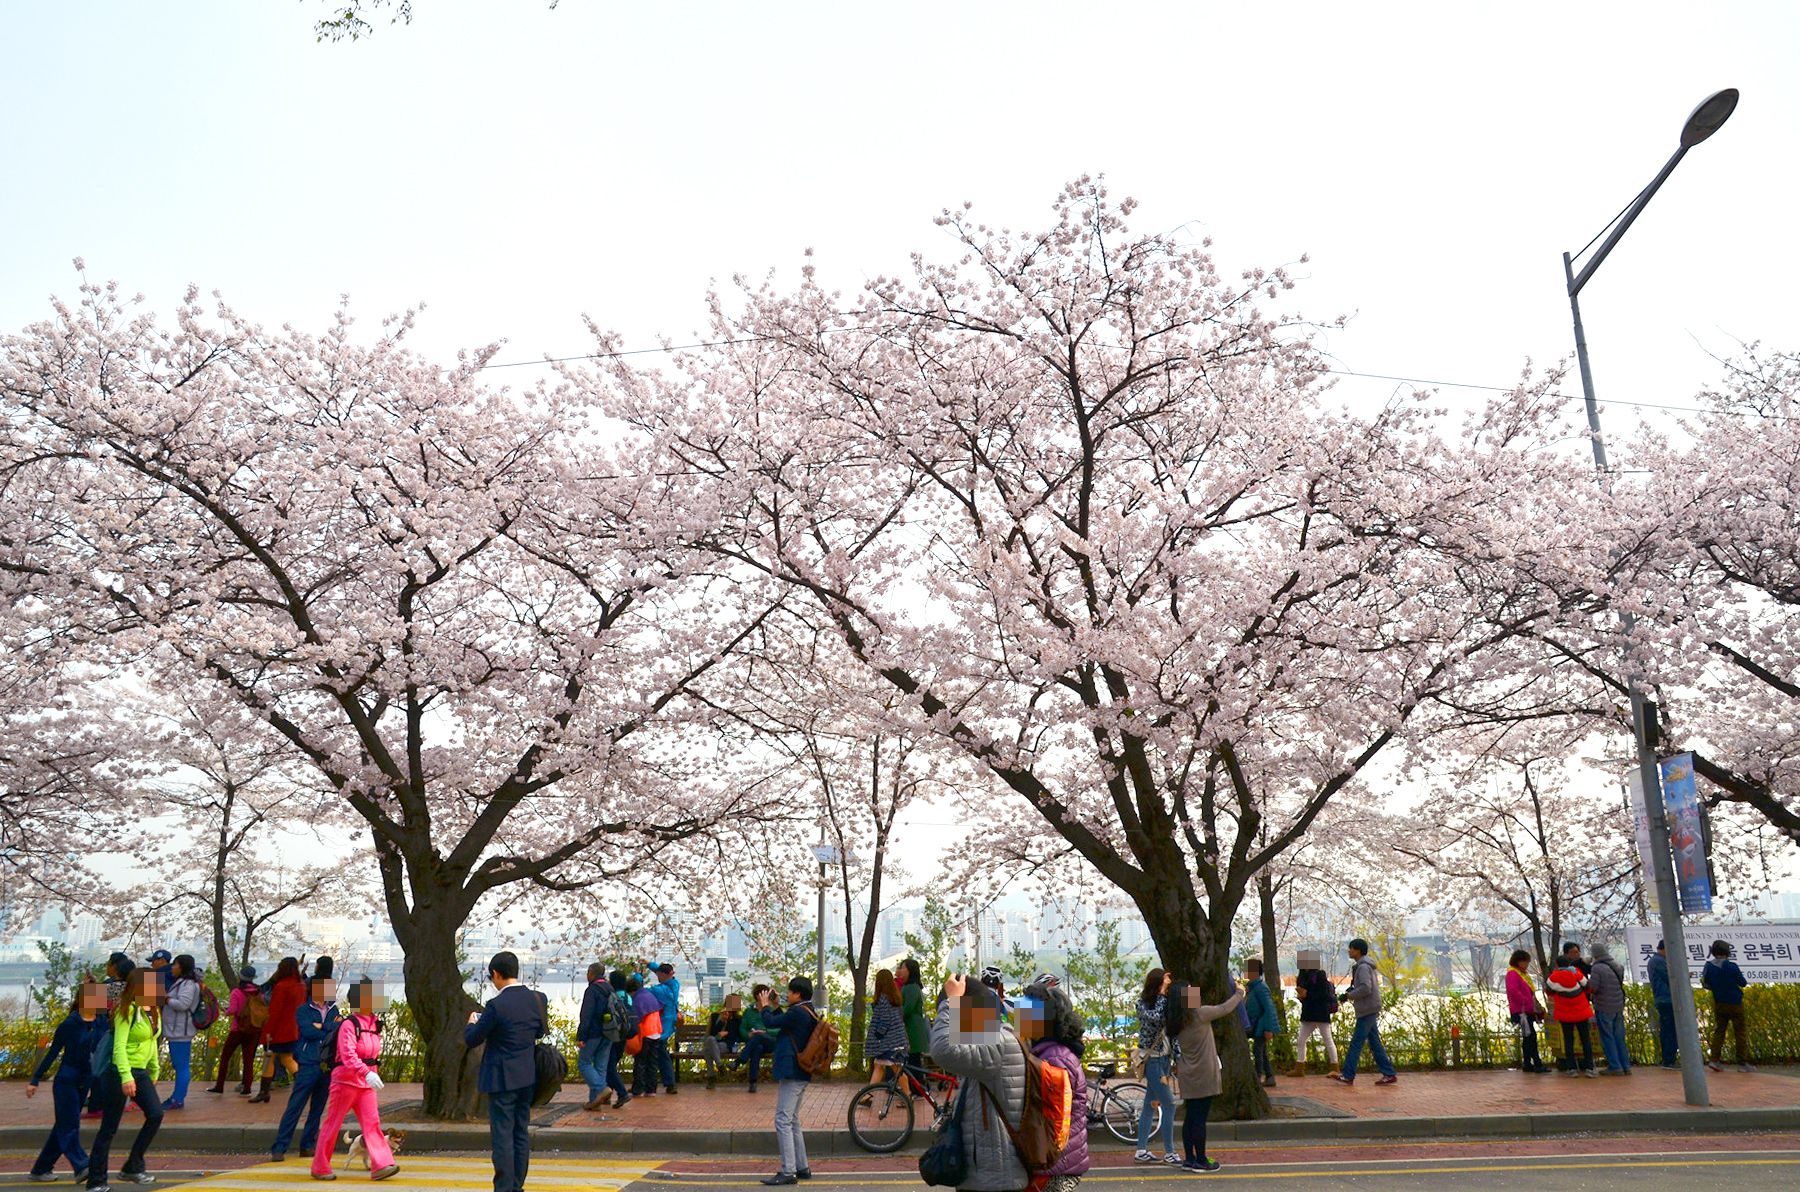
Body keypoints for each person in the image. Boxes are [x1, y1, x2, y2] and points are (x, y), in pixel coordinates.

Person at [927, 974, 1026, 1192]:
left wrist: (951, 1002)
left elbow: (942, 1050)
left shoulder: (996, 1041)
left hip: (995, 1177)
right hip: (988, 1172)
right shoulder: (992, 1038)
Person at [466, 952, 547, 1192]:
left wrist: (471, 1023)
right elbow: (539, 1032)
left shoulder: (496, 1005)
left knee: (502, 1136)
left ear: (496, 974)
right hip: (527, 1075)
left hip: (501, 1078)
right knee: (520, 1132)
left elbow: (473, 1039)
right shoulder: (537, 999)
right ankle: (516, 1185)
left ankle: (503, 1187)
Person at [311, 977, 398, 1182]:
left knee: (372, 1124)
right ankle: (320, 1166)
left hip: (365, 1084)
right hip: (345, 1083)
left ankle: (381, 1165)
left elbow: (371, 1054)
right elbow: (348, 1055)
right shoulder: (349, 1025)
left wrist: (371, 1073)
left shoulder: (374, 1024)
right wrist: (367, 1072)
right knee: (333, 1125)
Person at [87, 966, 166, 1192]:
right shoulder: (127, 1011)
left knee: (155, 1115)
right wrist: (126, 1077)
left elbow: (151, 1041)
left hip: (140, 1072)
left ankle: (133, 1166)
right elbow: (119, 1047)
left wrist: (154, 1069)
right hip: (119, 1073)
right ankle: (96, 1181)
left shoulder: (153, 1010)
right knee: (109, 1128)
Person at [28, 979, 107, 1182]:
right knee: (70, 1125)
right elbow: (53, 1053)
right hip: (67, 1079)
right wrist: (35, 1079)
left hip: (86, 1079)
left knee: (64, 1125)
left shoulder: (101, 1022)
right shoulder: (69, 1024)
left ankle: (40, 1169)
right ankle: (82, 1165)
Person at [1018, 978, 1089, 1191]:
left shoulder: (1055, 1059)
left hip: (1055, 1165)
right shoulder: (1047, 1052)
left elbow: (1047, 1117)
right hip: (1055, 1161)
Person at [1170, 978, 1245, 1174]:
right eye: (1190, 991)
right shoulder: (1199, 1014)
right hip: (1204, 1073)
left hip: (1187, 1074)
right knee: (1199, 1119)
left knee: (1190, 1117)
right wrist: (1239, 992)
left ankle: (1189, 1158)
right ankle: (1201, 1160)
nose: (1194, 993)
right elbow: (1225, 1008)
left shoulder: (1175, 1021)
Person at [756, 978, 821, 1187]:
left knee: (783, 1119)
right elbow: (784, 1021)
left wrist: (765, 1006)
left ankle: (788, 1171)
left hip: (792, 1070)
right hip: (801, 1071)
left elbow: (771, 1023)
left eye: (790, 992)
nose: (787, 995)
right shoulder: (807, 1010)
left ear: (798, 994)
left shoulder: (797, 1012)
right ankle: (802, 1167)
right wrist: (776, 1006)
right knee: (792, 1119)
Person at [271, 972, 339, 1162]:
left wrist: (321, 1027)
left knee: (317, 1108)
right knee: (295, 1106)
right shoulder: (303, 1010)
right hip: (308, 1063)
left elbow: (337, 1030)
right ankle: (279, 1147)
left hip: (327, 1065)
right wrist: (326, 1028)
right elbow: (308, 1031)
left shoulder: (334, 1009)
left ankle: (307, 1145)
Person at [1330, 938, 1397, 1086]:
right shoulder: (1365, 966)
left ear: (1358, 951)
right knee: (1374, 1042)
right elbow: (1364, 986)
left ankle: (1348, 1075)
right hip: (1370, 1007)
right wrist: (1352, 992)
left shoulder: (1363, 967)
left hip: (1367, 1008)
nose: (1349, 951)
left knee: (1356, 1043)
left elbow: (1366, 987)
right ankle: (1389, 1073)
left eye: (1351, 948)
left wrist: (1349, 995)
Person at [1132, 968, 1178, 1164]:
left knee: (1150, 1104)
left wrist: (1178, 1057)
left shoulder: (1166, 1002)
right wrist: (1162, 995)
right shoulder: (1143, 1004)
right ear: (1158, 982)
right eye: (1166, 980)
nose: (1169, 983)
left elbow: (1174, 1031)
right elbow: (1156, 1018)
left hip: (1164, 1060)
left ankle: (1141, 1150)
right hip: (1153, 1060)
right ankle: (1169, 1152)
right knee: (1169, 1104)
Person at [251, 957, 306, 1104]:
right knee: (286, 1058)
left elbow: (275, 1011)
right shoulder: (301, 985)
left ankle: (264, 1091)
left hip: (279, 1029)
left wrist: (268, 1031)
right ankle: (304, 1085)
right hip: (294, 1028)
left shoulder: (282, 986)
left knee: (269, 1058)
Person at [209, 966, 263, 1096]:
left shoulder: (237, 992)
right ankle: (247, 1088)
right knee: (248, 1060)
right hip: (253, 1029)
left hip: (237, 1029)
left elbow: (233, 1010)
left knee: (225, 1057)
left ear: (240, 977)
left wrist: (226, 1011)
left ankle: (219, 1085)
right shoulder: (258, 992)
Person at [1702, 939, 1751, 1072]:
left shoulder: (1708, 966)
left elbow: (1706, 984)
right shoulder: (1731, 966)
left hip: (1719, 1002)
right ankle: (1742, 1063)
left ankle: (1714, 1060)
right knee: (1740, 1032)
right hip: (1735, 1003)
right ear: (1727, 952)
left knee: (1719, 1031)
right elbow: (1743, 983)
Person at [1546, 951, 1597, 1077]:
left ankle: (1571, 1068)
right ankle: (1590, 1068)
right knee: (1585, 1039)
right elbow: (1588, 987)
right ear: (1569, 964)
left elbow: (1549, 992)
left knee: (1568, 1040)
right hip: (1581, 1011)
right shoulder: (1576, 973)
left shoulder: (1553, 977)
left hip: (1564, 1013)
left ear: (1557, 965)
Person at [160, 956, 201, 1110]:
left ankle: (177, 1098)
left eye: (175, 965)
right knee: (179, 1065)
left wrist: (167, 999)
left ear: (182, 967)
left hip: (180, 1031)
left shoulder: (188, 984)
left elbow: (183, 1004)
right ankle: (177, 1097)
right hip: (176, 1030)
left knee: (181, 1066)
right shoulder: (183, 983)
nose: (172, 967)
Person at [1503, 949, 1550, 1074]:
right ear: (1519, 961)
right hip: (1521, 1010)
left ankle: (1528, 1063)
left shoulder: (1521, 974)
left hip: (1526, 1009)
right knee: (1531, 1037)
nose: (1527, 964)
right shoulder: (1513, 974)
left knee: (1528, 1037)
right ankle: (1537, 1064)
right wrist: (1525, 1000)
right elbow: (1513, 991)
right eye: (1525, 962)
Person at [1290, 960, 1339, 1076]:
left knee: (1328, 1040)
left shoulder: (1319, 975)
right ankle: (1299, 1067)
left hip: (1321, 1012)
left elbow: (1324, 994)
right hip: (1308, 1013)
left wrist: (1307, 994)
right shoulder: (1302, 977)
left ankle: (1335, 1068)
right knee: (1301, 1040)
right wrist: (1301, 997)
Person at [638, 961, 681, 1094]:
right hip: (668, 1023)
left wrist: (637, 975)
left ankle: (668, 1083)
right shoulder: (674, 983)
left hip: (662, 1025)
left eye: (659, 974)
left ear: (663, 974)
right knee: (660, 1053)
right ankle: (663, 1083)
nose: (657, 976)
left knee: (660, 1053)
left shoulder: (660, 990)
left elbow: (640, 989)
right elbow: (661, 970)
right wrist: (649, 964)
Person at [1588, 944, 1630, 1075]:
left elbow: (1593, 987)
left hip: (1604, 1005)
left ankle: (1615, 1066)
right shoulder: (1617, 965)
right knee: (1619, 1036)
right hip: (1618, 1004)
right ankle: (1626, 1066)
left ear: (1594, 954)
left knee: (1607, 1037)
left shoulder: (1597, 968)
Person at [575, 965, 614, 1110]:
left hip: (593, 1033)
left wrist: (581, 1036)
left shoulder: (592, 990)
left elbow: (586, 1015)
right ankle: (594, 1101)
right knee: (600, 1067)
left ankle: (601, 1088)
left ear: (591, 973)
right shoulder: (610, 988)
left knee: (584, 1063)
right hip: (609, 1032)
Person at [863, 970, 907, 1086]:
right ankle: (868, 1093)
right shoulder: (895, 999)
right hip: (897, 1040)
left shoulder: (883, 1000)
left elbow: (885, 1021)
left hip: (888, 1043)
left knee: (895, 1069)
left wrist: (877, 1035)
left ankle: (907, 1094)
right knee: (881, 1066)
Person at [1243, 959, 1280, 1088]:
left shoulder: (1260, 988)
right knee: (1261, 1051)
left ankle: (1258, 1076)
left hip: (1261, 1025)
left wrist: (1269, 1029)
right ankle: (1269, 1076)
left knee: (1257, 1050)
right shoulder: (1252, 987)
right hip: (1255, 1024)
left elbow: (1269, 1008)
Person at [627, 976, 664, 1097]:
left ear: (632, 991)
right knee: (652, 1062)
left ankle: (638, 1088)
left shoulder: (638, 998)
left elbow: (636, 1017)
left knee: (640, 1062)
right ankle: (651, 1089)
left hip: (645, 1033)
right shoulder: (649, 995)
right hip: (656, 1031)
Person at [739, 983, 777, 1094]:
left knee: (759, 1036)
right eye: (764, 994)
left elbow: (780, 1029)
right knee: (757, 1048)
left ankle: (740, 1060)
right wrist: (748, 1035)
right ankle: (753, 1082)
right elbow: (742, 1029)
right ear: (757, 996)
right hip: (755, 1043)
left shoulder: (772, 1010)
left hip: (771, 1042)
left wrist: (765, 1032)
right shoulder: (748, 1011)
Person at [602, 970, 633, 1109]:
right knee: (611, 1065)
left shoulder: (613, 996)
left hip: (614, 1034)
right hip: (624, 1034)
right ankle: (607, 1095)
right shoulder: (627, 996)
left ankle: (621, 1093)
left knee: (609, 1066)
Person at [702, 993, 743, 1090]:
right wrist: (721, 1022)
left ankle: (711, 1078)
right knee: (710, 1042)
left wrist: (728, 1024)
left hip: (726, 1045)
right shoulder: (715, 1016)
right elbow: (710, 1034)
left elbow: (734, 1037)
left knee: (707, 1050)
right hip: (713, 1043)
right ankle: (720, 1065)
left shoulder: (737, 1019)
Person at [1647, 940, 1678, 1068]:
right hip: (1666, 999)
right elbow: (1671, 977)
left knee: (1668, 1029)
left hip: (1663, 998)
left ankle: (1669, 1059)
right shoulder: (1658, 961)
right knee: (1669, 1030)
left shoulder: (1656, 961)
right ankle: (1669, 1059)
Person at [897, 958, 930, 1071]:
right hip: (913, 1030)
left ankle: (918, 1083)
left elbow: (907, 1009)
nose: (900, 970)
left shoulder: (911, 988)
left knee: (913, 1065)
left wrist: (894, 1017)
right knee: (913, 1064)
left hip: (912, 1031)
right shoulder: (910, 987)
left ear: (910, 971)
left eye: (903, 968)